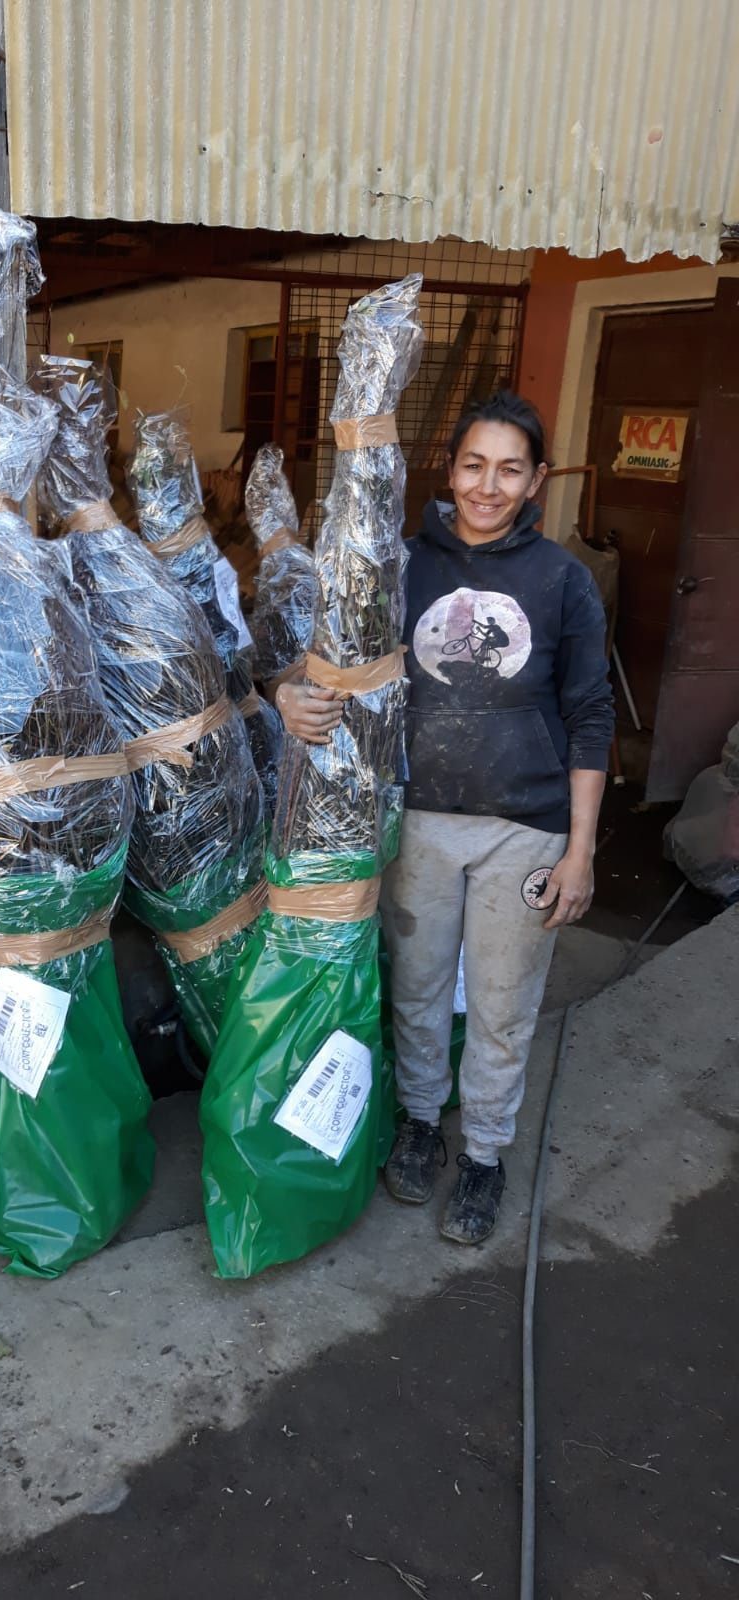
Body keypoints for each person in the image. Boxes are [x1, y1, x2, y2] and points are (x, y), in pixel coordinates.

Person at [276, 391, 613, 1245]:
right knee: (419, 989)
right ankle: (422, 1125)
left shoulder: (563, 580)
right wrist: (287, 696)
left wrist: (580, 848)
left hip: (525, 829)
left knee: (502, 1004)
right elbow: (327, 661)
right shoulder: (399, 567)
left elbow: (591, 714)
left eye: (509, 469)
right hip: (417, 822)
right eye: (473, 466)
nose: (488, 487)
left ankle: (487, 1157)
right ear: (448, 470)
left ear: (537, 478)